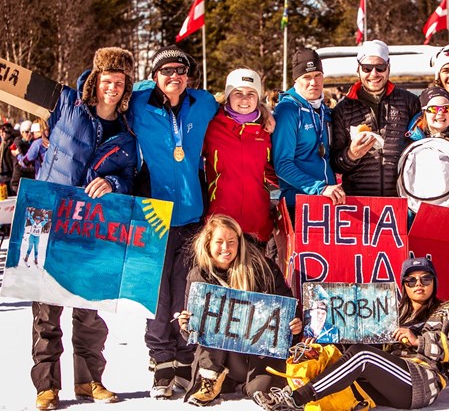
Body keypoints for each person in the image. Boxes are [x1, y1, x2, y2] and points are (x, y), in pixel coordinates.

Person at [31, 46, 138, 410]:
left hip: (93, 229)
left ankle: (89, 380)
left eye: (120, 83)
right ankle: (46, 386)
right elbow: (17, 85)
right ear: (96, 79)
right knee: (47, 308)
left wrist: (114, 185)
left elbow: (128, 178)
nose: (113, 88)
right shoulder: (67, 104)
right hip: (50, 216)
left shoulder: (126, 134)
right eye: (107, 80)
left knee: (90, 310)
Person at [255, 257, 449, 410]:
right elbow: (370, 343)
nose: (419, 285)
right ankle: (291, 397)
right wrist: (323, 339)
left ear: (434, 282)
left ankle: (299, 397)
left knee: (363, 355)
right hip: (387, 382)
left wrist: (419, 341)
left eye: (425, 279)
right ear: (404, 285)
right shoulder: (394, 313)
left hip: (420, 382)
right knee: (337, 355)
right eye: (411, 281)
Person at [129, 44, 219, 398]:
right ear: (154, 77)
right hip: (154, 213)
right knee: (157, 292)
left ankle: (184, 359)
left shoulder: (203, 103)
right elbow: (99, 86)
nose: (173, 77)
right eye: (166, 71)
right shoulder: (139, 104)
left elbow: (240, 109)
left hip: (193, 213)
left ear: (188, 76)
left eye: (180, 71)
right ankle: (161, 362)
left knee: (187, 290)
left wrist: (267, 112)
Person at [176, 214, 302, 406]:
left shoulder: (263, 268)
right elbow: (193, 334)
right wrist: (186, 326)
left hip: (258, 355)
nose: (225, 248)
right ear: (208, 243)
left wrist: (294, 324)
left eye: (231, 242)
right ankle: (209, 379)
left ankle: (246, 384)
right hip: (218, 358)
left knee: (262, 391)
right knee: (213, 323)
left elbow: (289, 310)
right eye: (219, 242)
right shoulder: (198, 276)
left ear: (239, 243)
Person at [330, 40, 419, 197]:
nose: (374, 74)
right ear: (358, 69)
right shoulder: (343, 109)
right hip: (359, 201)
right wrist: (351, 155)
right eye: (367, 68)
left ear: (388, 68)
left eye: (380, 67)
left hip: (401, 198)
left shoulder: (409, 102)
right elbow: (334, 163)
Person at [202, 68, 276, 245]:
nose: (244, 99)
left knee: (254, 273)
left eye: (251, 93)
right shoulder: (212, 127)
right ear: (228, 96)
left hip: (257, 223)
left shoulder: (267, 130)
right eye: (238, 93)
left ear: (258, 97)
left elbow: (274, 171)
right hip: (221, 222)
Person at [273, 48, 343, 219]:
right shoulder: (288, 110)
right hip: (298, 204)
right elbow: (282, 165)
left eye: (318, 75)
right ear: (296, 79)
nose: (314, 82)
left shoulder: (324, 110)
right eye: (307, 77)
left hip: (327, 202)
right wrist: (319, 188)